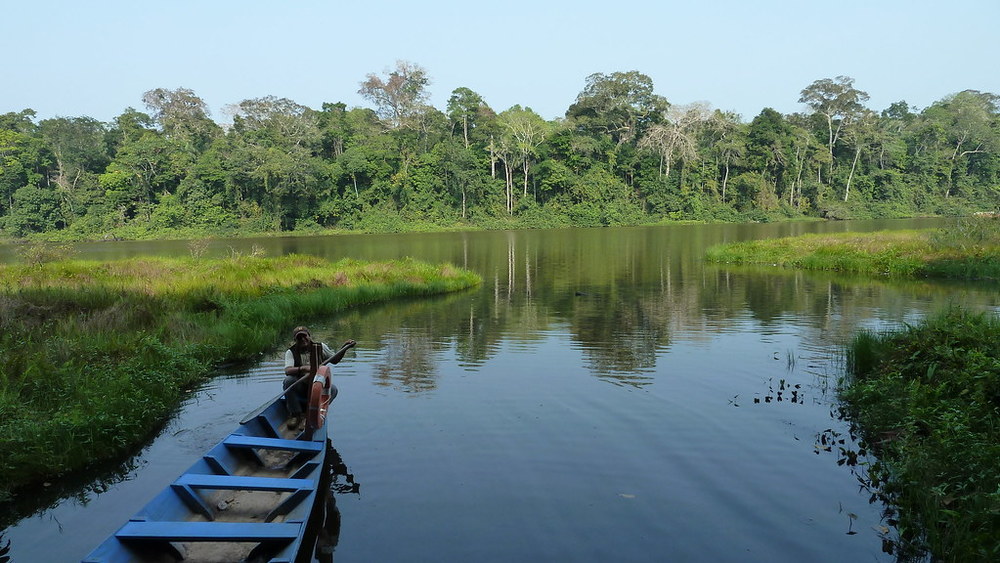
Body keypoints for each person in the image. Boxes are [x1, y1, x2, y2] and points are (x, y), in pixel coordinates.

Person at [283, 326, 354, 429]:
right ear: (295, 340)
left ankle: (311, 415)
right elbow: (288, 371)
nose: (303, 339)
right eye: (299, 338)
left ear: (309, 336)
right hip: (301, 386)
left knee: (333, 390)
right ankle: (295, 414)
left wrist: (344, 347)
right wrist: (304, 368)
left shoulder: (321, 347)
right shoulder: (291, 352)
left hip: (318, 386)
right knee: (288, 381)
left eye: (305, 336)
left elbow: (334, 360)